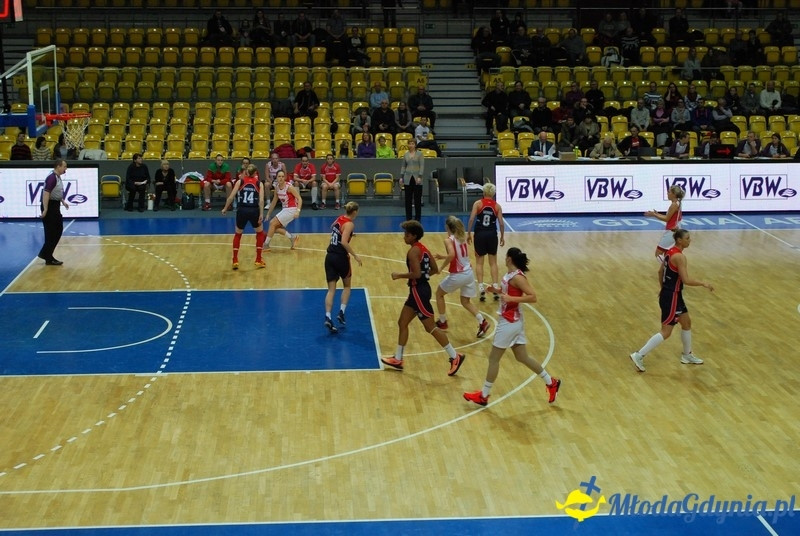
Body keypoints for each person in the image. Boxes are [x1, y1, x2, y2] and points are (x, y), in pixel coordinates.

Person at [463, 247, 561, 406]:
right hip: (514, 320)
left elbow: (533, 297)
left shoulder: (519, 278)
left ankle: (484, 395)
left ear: (509, 259)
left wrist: (512, 299)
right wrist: (496, 290)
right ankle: (551, 382)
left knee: (494, 359)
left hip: (509, 321)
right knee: (522, 357)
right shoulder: (510, 275)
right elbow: (508, 292)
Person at [380, 220, 466, 376]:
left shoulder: (413, 251)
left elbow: (417, 274)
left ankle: (455, 356)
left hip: (418, 292)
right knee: (402, 322)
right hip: (419, 290)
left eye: (406, 234)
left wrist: (399, 275)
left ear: (413, 236)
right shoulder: (424, 249)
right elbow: (434, 269)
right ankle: (398, 358)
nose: (404, 236)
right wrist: (422, 278)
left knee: (430, 327)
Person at [630, 229, 714, 373]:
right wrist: (703, 283)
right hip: (672, 296)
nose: (690, 240)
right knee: (666, 332)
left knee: (686, 322)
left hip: (671, 294)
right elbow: (686, 280)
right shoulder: (680, 257)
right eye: (687, 238)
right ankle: (639, 354)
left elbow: (660, 272)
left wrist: (663, 289)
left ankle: (687, 355)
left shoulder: (669, 252)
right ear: (679, 240)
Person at [434, 215, 490, 338]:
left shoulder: (448, 240)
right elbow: (458, 255)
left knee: (439, 294)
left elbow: (452, 255)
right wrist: (444, 256)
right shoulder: (462, 237)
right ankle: (482, 321)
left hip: (458, 274)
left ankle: (442, 322)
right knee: (465, 301)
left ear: (447, 227)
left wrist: (440, 268)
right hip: (469, 273)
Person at [324, 202, 363, 334]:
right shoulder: (350, 224)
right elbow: (344, 242)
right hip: (341, 258)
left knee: (331, 290)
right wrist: (355, 255)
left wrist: (349, 233)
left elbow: (334, 228)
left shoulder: (340, 218)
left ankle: (328, 316)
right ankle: (341, 312)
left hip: (329, 257)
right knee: (347, 286)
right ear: (355, 212)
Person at [221, 164, 265, 270]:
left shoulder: (240, 182)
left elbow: (231, 197)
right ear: (255, 173)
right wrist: (261, 213)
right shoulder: (259, 184)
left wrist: (225, 208)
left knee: (238, 234)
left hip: (242, 210)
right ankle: (258, 259)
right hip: (254, 210)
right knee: (259, 233)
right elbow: (262, 200)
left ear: (246, 173)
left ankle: (235, 260)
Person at [467, 183, 505, 303]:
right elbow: (501, 223)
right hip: (492, 235)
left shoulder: (478, 204)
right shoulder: (497, 206)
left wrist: (468, 233)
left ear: (483, 192)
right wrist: (502, 236)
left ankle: (481, 287)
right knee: (493, 262)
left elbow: (472, 219)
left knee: (479, 262)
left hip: (480, 235)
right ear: (493, 194)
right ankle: (495, 286)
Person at [38, 159, 69, 266]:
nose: (66, 169)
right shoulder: (52, 178)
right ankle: (47, 256)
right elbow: (46, 193)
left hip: (54, 205)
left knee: (57, 230)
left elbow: (56, 192)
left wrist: (62, 201)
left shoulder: (57, 177)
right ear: (58, 166)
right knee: (52, 232)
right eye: (64, 166)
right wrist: (45, 209)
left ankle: (47, 255)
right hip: (50, 206)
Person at [264, 169, 301, 251]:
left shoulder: (289, 187)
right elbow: (274, 202)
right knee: (275, 228)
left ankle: (266, 245)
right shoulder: (277, 187)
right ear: (276, 177)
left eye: (282, 176)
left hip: (292, 209)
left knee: (272, 223)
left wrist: (298, 211)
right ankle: (293, 237)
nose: (281, 178)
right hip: (285, 209)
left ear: (285, 177)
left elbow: (299, 198)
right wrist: (268, 214)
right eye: (279, 176)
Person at [645, 184, 684, 260]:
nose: (667, 194)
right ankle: (669, 270)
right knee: (668, 253)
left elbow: (666, 219)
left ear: (674, 194)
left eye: (669, 192)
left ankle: (668, 269)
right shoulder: (678, 202)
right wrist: (656, 213)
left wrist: (654, 214)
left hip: (671, 231)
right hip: (676, 230)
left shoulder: (674, 205)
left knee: (658, 253)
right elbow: (671, 216)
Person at [400, 139, 424, 221]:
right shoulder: (406, 154)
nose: (411, 145)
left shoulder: (420, 154)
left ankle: (418, 217)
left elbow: (422, 166)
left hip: (417, 178)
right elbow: (403, 166)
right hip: (407, 178)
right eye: (409, 144)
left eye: (412, 143)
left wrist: (420, 176)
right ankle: (408, 217)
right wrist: (401, 177)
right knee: (408, 199)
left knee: (417, 199)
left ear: (415, 145)